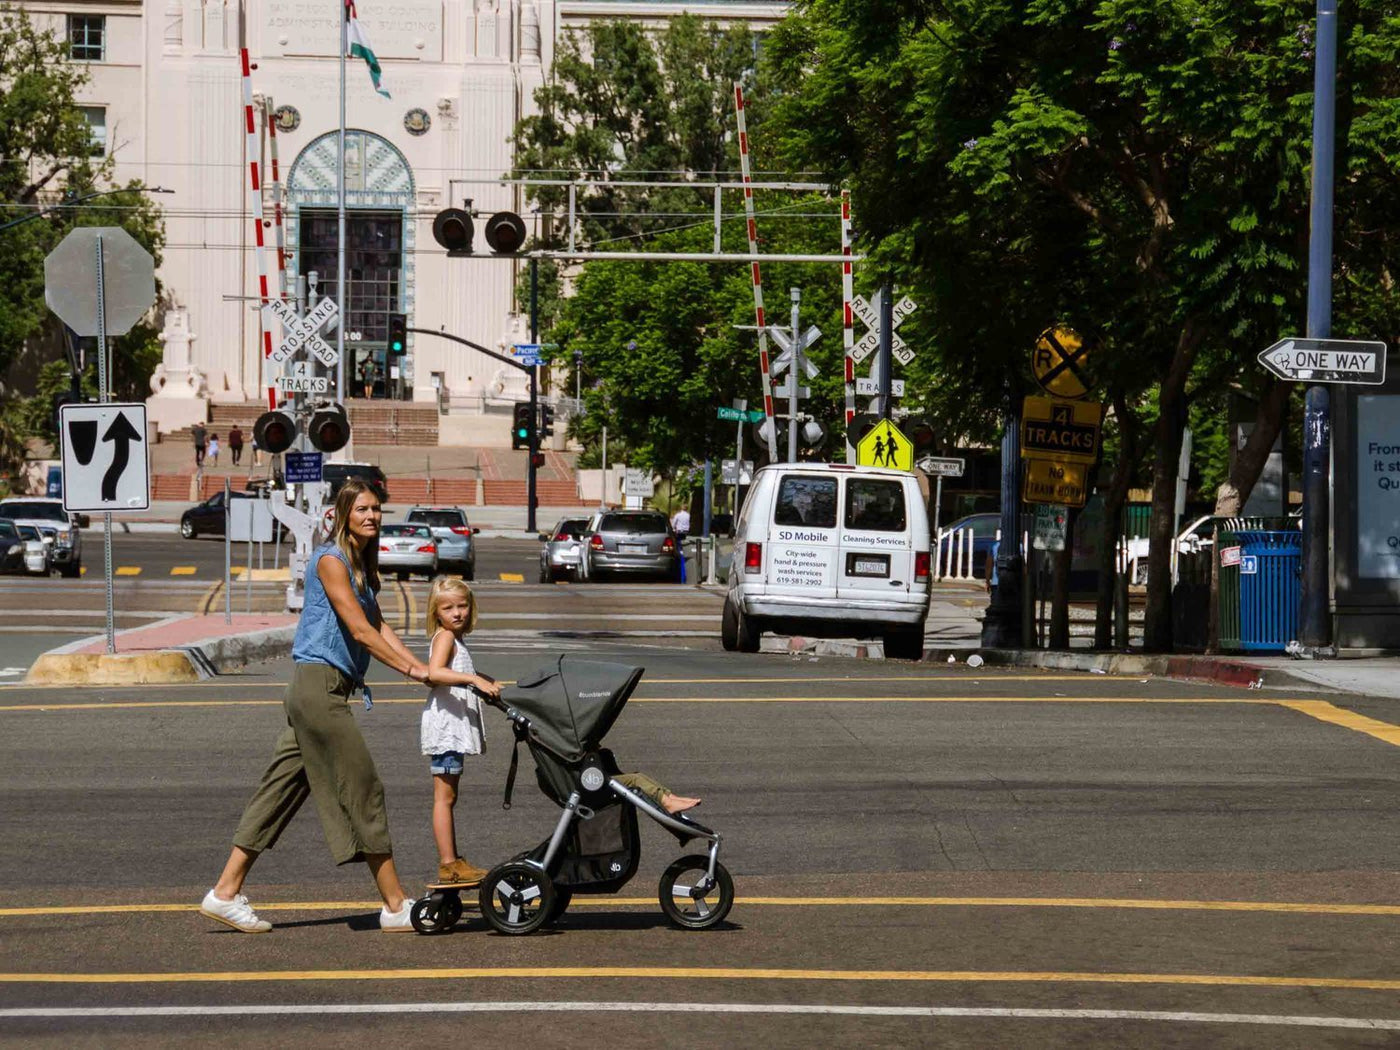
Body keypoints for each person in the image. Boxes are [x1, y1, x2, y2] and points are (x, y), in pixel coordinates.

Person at [200, 480, 431, 934]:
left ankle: (223, 892)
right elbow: (360, 632)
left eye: (377, 509)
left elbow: (378, 624)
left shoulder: (361, 566)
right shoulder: (331, 560)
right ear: (343, 513)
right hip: (317, 690)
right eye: (362, 509)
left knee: (278, 793)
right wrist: (414, 673)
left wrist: (419, 666)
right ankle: (395, 904)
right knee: (363, 787)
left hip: (322, 690)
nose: (372, 516)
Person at [420, 576, 500, 886]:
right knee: (444, 797)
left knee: (449, 796)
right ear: (436, 612)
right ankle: (448, 863)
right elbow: (435, 672)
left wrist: (485, 680)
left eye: (462, 606)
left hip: (450, 726)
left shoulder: (456, 639)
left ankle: (452, 860)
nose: (457, 613)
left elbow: (459, 670)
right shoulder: (446, 638)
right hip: (446, 728)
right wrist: (474, 681)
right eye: (449, 607)